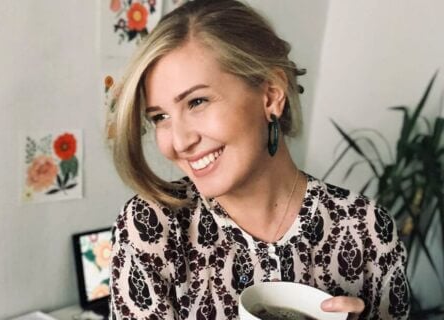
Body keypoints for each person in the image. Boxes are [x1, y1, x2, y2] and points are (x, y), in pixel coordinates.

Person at [108, 0, 410, 319]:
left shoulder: (368, 228)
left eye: (197, 101)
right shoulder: (151, 227)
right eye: (160, 117)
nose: (180, 141)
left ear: (271, 95)